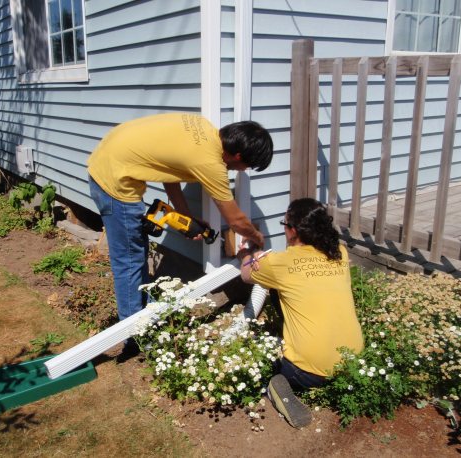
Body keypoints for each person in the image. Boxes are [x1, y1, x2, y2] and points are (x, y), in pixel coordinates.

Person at [87, 112, 273, 356]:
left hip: (109, 158)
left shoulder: (205, 130)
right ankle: (136, 335)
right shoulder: (210, 162)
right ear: (238, 156)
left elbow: (168, 173)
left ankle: (141, 311)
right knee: (129, 261)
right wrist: (259, 240)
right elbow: (236, 220)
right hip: (113, 181)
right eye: (246, 166)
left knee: (136, 253)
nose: (243, 170)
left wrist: (186, 217)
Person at [237, 198, 363, 428]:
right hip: (352, 362)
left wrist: (248, 253)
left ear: (293, 230)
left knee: (266, 348)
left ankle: (278, 385)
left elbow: (246, 275)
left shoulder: (278, 263)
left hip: (307, 372)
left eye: (284, 225)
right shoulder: (339, 252)